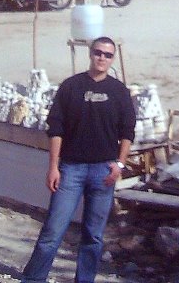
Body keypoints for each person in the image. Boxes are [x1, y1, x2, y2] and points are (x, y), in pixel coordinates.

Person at [20, 37, 136, 283]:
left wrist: (120, 165)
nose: (102, 58)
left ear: (112, 58)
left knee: (93, 236)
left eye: (107, 55)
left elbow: (128, 131)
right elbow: (56, 129)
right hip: (70, 169)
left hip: (104, 172)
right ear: (90, 54)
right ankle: (33, 278)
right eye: (98, 53)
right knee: (53, 231)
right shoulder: (71, 87)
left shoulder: (119, 91)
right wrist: (53, 167)